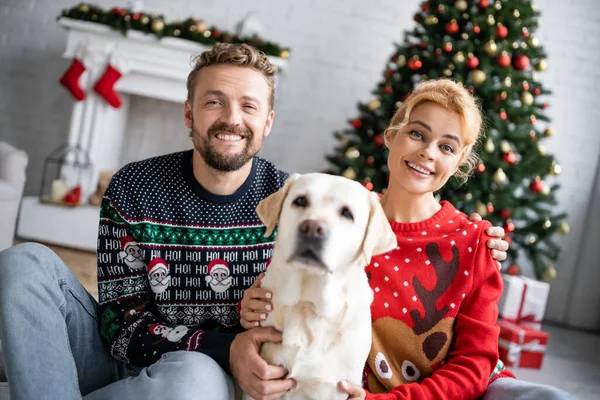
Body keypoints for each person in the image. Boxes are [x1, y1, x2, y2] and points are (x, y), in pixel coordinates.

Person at [0, 44, 508, 400]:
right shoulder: (134, 186)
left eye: (248, 105)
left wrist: (478, 239)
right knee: (23, 263)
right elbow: (115, 324)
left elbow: (374, 243)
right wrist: (228, 346)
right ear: (189, 113)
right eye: (214, 101)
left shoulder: (299, 199)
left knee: (195, 381)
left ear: (267, 121)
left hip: (196, 378)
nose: (231, 118)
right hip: (149, 355)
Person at [240, 79, 574, 400]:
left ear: (459, 162)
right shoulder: (346, 216)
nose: (428, 152)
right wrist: (252, 304)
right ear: (391, 135)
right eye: (417, 133)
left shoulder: (474, 241)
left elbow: (476, 365)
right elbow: (284, 287)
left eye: (446, 147)